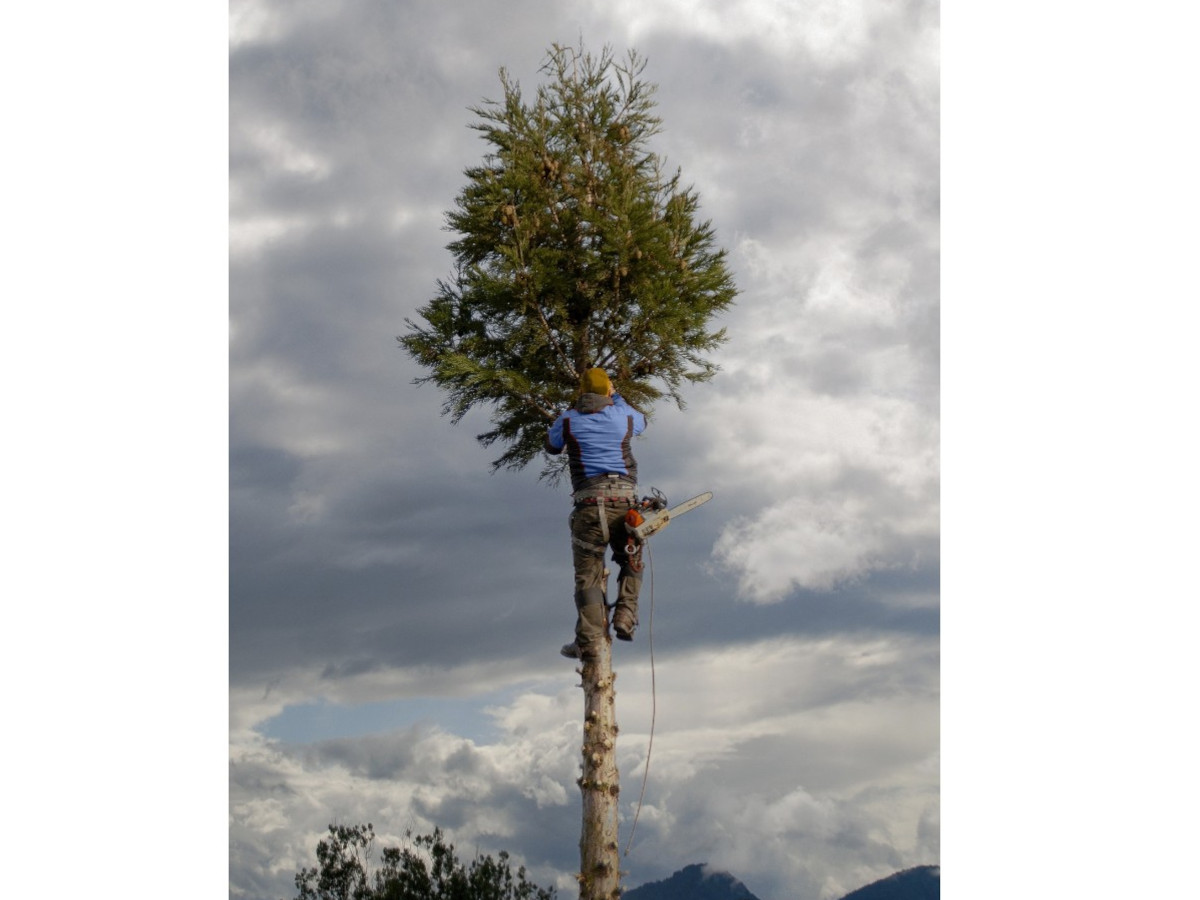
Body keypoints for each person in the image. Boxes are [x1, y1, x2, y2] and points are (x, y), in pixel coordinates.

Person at [545, 368, 647, 661]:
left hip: (589, 505)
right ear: (607, 390)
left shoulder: (568, 420)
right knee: (632, 558)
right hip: (624, 502)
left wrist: (570, 413)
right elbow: (643, 421)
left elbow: (552, 447)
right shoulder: (623, 416)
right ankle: (626, 615)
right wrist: (616, 396)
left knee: (588, 576)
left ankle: (588, 641)